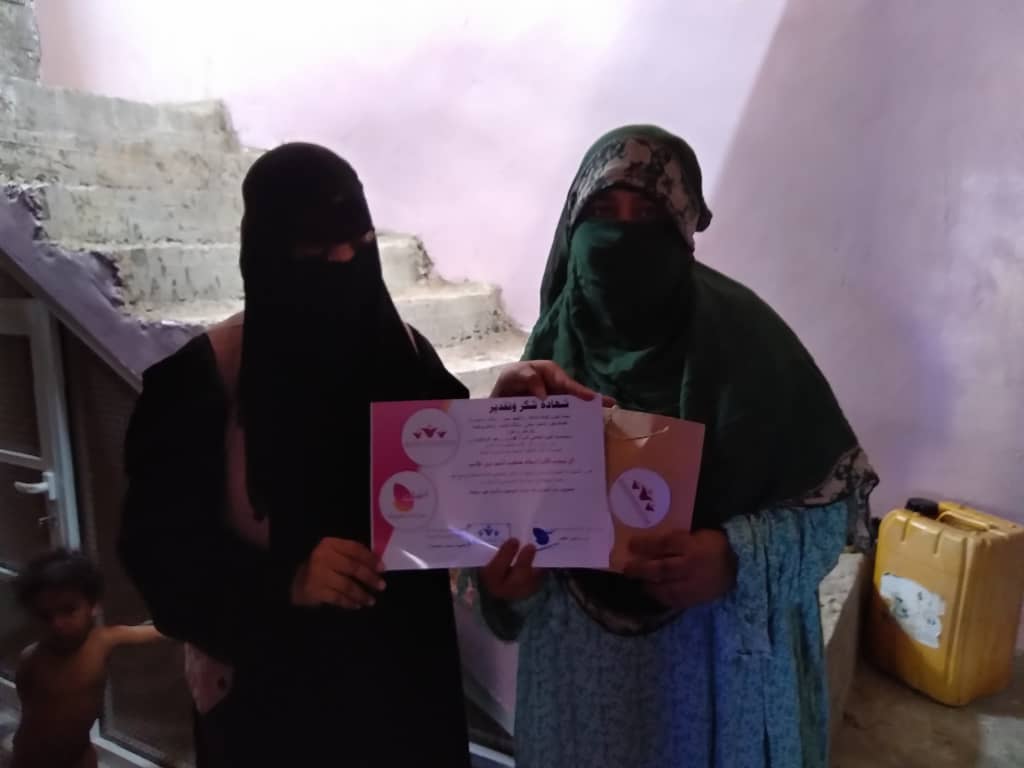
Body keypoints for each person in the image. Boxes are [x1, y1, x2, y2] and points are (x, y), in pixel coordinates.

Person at [117, 142, 603, 767]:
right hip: (276, 714)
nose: (345, 264)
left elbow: (449, 488)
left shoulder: (402, 352)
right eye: (316, 252)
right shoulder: (204, 382)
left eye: (361, 243)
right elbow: (159, 559)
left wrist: (505, 413)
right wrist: (288, 579)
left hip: (407, 694)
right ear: (266, 255)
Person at [472, 125, 879, 768]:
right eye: (602, 212)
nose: (620, 237)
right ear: (573, 226)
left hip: (716, 672)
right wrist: (505, 582)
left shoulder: (747, 341)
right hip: (579, 687)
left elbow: (831, 508)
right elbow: (511, 529)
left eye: (648, 214)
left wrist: (734, 556)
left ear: (684, 229)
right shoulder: (551, 350)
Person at [12, 549, 163, 768]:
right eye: (45, 616)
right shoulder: (32, 659)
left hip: (80, 753)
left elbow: (158, 632)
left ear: (93, 606)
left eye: (68, 610)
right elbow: (27, 704)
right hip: (34, 759)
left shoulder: (103, 641)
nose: (57, 624)